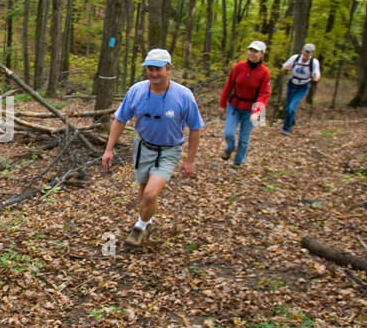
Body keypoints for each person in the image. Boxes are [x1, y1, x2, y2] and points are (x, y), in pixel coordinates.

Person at [102, 48, 204, 248]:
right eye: (150, 69)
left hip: (169, 150)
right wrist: (109, 149)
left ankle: (139, 227)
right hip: (143, 147)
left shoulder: (183, 95)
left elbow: (195, 128)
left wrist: (190, 160)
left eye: (158, 69)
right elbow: (120, 119)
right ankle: (147, 221)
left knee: (150, 194)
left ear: (168, 69)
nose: (154, 73)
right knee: (143, 193)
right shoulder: (137, 91)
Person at [218, 40, 271, 166]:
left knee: (244, 139)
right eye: (251, 50)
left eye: (256, 51)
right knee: (228, 133)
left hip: (251, 108)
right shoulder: (238, 67)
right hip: (235, 105)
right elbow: (228, 86)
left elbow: (264, 94)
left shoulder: (265, 72)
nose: (252, 54)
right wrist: (222, 104)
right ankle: (229, 148)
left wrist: (257, 112)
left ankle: (238, 162)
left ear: (262, 54)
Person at [281, 43, 321, 134]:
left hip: (303, 86)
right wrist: (285, 69)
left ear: (312, 54)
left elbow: (317, 74)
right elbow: (285, 67)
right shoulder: (295, 58)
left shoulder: (314, 62)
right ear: (302, 51)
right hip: (292, 84)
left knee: (291, 108)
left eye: (309, 52)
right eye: (306, 51)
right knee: (288, 108)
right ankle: (292, 122)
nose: (306, 54)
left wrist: (316, 78)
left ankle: (286, 128)